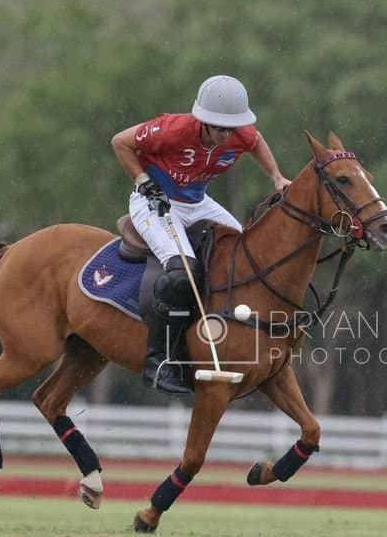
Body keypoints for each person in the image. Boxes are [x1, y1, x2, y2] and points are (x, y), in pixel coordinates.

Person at [111, 75, 292, 394]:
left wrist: (277, 177)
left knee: (247, 254)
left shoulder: (241, 133)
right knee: (183, 273)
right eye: (218, 127)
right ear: (203, 121)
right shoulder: (172, 128)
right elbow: (120, 142)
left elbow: (256, 141)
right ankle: (159, 362)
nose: (226, 134)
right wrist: (143, 180)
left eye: (230, 128)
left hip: (197, 202)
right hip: (155, 201)